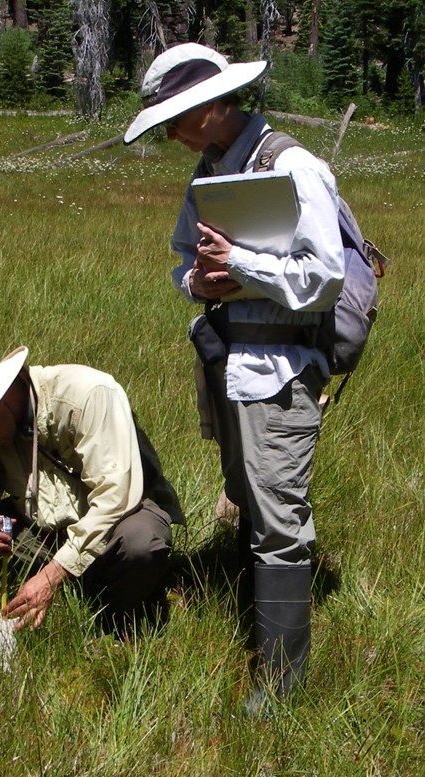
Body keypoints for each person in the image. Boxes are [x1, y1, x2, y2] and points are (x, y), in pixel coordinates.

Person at [124, 43, 345, 710]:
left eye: (177, 118)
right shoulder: (209, 173)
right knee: (247, 499)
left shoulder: (294, 166)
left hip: (281, 371)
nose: (170, 133)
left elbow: (325, 276)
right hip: (228, 365)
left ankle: (280, 683)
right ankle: (256, 621)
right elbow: (184, 265)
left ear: (214, 106)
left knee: (279, 519)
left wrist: (243, 267)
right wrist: (202, 278)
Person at [0, 346, 183, 636]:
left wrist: (51, 576)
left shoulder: (87, 394)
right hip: (44, 526)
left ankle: (116, 626)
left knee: (140, 543)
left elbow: (114, 498)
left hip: (122, 517)